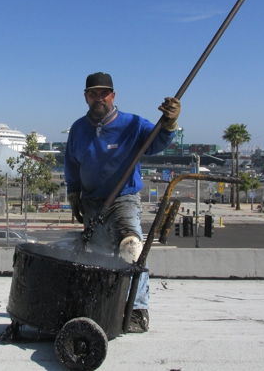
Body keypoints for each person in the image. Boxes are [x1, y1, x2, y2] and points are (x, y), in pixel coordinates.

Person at [64, 72, 180, 333]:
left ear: (113, 96)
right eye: (93, 93)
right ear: (85, 97)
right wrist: (74, 195)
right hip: (91, 201)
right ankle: (105, 307)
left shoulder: (133, 124)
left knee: (132, 247)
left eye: (103, 93)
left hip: (123, 198)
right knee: (100, 258)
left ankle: (137, 310)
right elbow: (71, 164)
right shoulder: (78, 129)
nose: (98, 98)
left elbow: (157, 141)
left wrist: (170, 123)